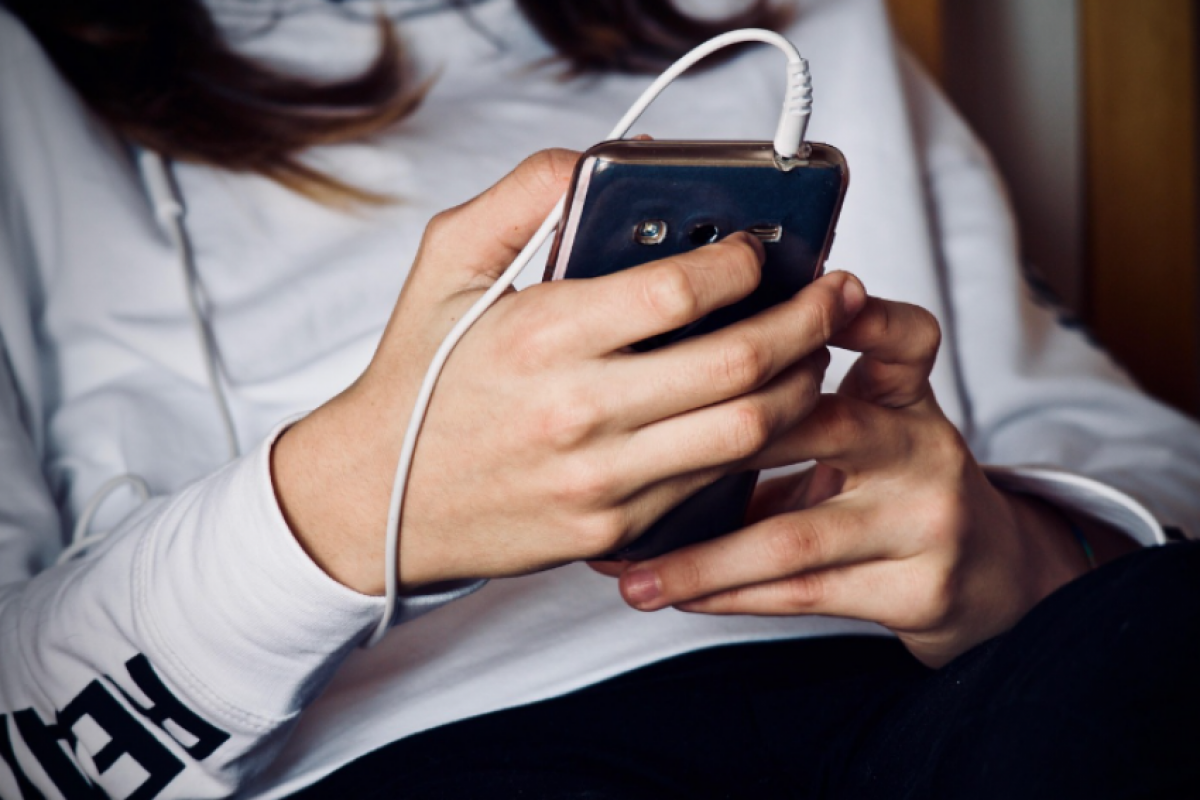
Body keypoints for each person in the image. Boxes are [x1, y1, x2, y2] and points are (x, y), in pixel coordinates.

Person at [0, 0, 1197, 797]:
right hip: (426, 750)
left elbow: (1145, 457)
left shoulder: (792, 17)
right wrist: (343, 506)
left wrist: (1022, 553)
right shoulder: (26, 85)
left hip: (928, 689)